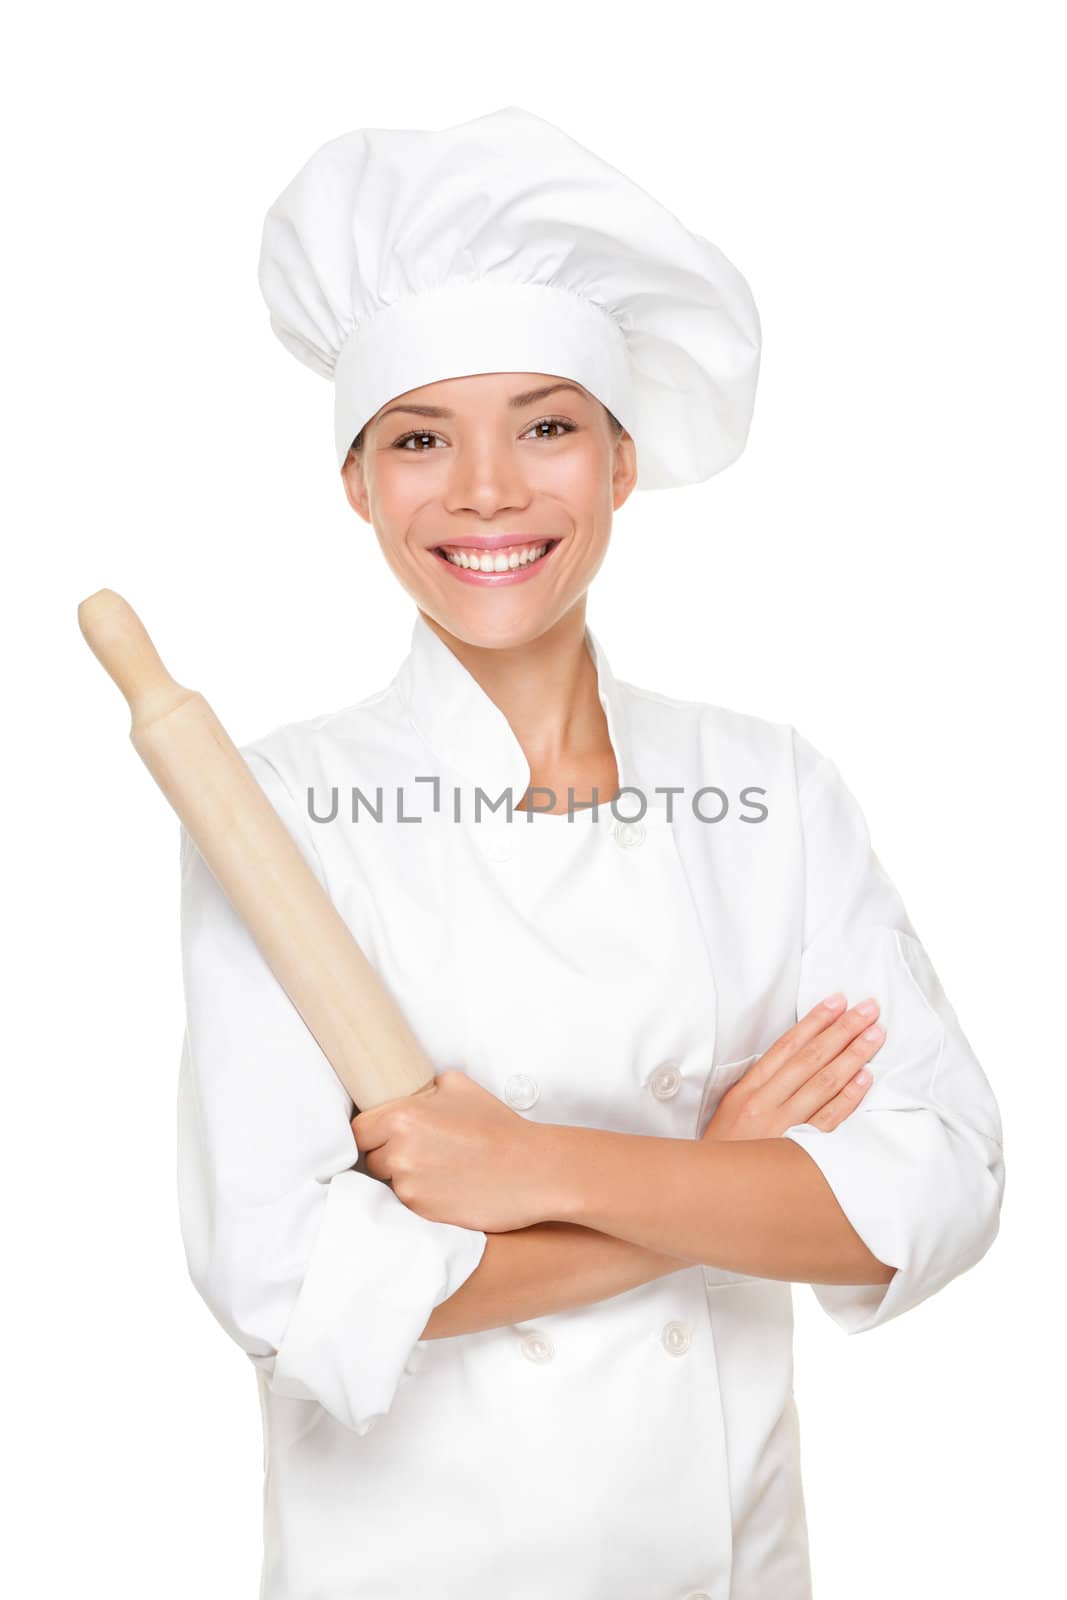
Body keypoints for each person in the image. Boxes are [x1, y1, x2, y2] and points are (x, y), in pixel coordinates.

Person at [176, 107, 1004, 1599]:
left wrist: (531, 1170)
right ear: (358, 486)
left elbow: (942, 1185)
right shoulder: (278, 806)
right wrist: (729, 1178)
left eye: (546, 425)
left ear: (622, 464)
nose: (487, 490)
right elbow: (288, 1285)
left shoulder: (769, 786)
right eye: (422, 438)